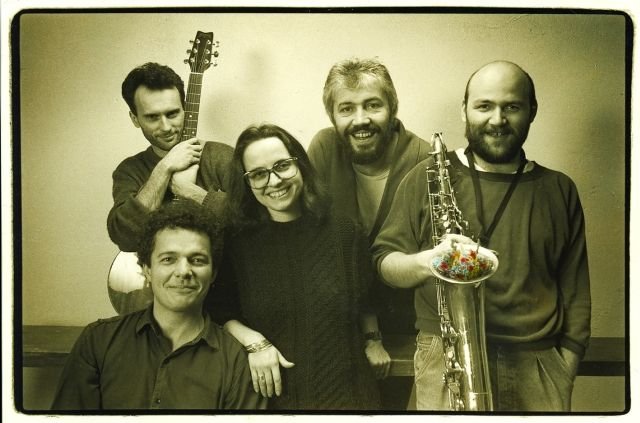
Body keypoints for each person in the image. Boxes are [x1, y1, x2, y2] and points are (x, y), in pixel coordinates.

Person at [371, 60, 591, 411]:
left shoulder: (559, 189)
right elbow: (385, 263)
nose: (497, 120)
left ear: (532, 111)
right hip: (448, 358)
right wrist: (429, 262)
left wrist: (565, 367)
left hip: (537, 364)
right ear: (465, 110)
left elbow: (575, 291)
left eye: (512, 107)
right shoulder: (426, 176)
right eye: (484, 106)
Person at [213, 123, 389, 410]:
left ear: (300, 165)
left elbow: (367, 298)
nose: (274, 181)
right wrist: (255, 343)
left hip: (347, 394)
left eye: (282, 166)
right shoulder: (235, 242)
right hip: (270, 399)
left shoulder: (344, 232)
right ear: (246, 182)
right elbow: (221, 312)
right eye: (258, 174)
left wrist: (373, 339)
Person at [52, 201, 266, 410]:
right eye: (168, 259)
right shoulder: (98, 341)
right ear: (147, 269)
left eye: (197, 260)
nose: (183, 271)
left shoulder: (236, 361)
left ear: (213, 274)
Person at [307, 57, 432, 408]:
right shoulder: (323, 149)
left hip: (406, 324)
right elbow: (315, 245)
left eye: (372, 105)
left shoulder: (423, 157)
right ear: (332, 115)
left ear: (392, 108)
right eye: (346, 108)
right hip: (340, 321)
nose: (360, 120)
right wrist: (366, 331)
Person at [107, 62, 233, 252]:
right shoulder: (130, 170)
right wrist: (164, 168)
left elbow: (256, 218)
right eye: (152, 117)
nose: (166, 127)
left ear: (185, 109)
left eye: (172, 113)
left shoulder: (220, 156)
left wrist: (191, 192)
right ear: (135, 119)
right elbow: (125, 237)